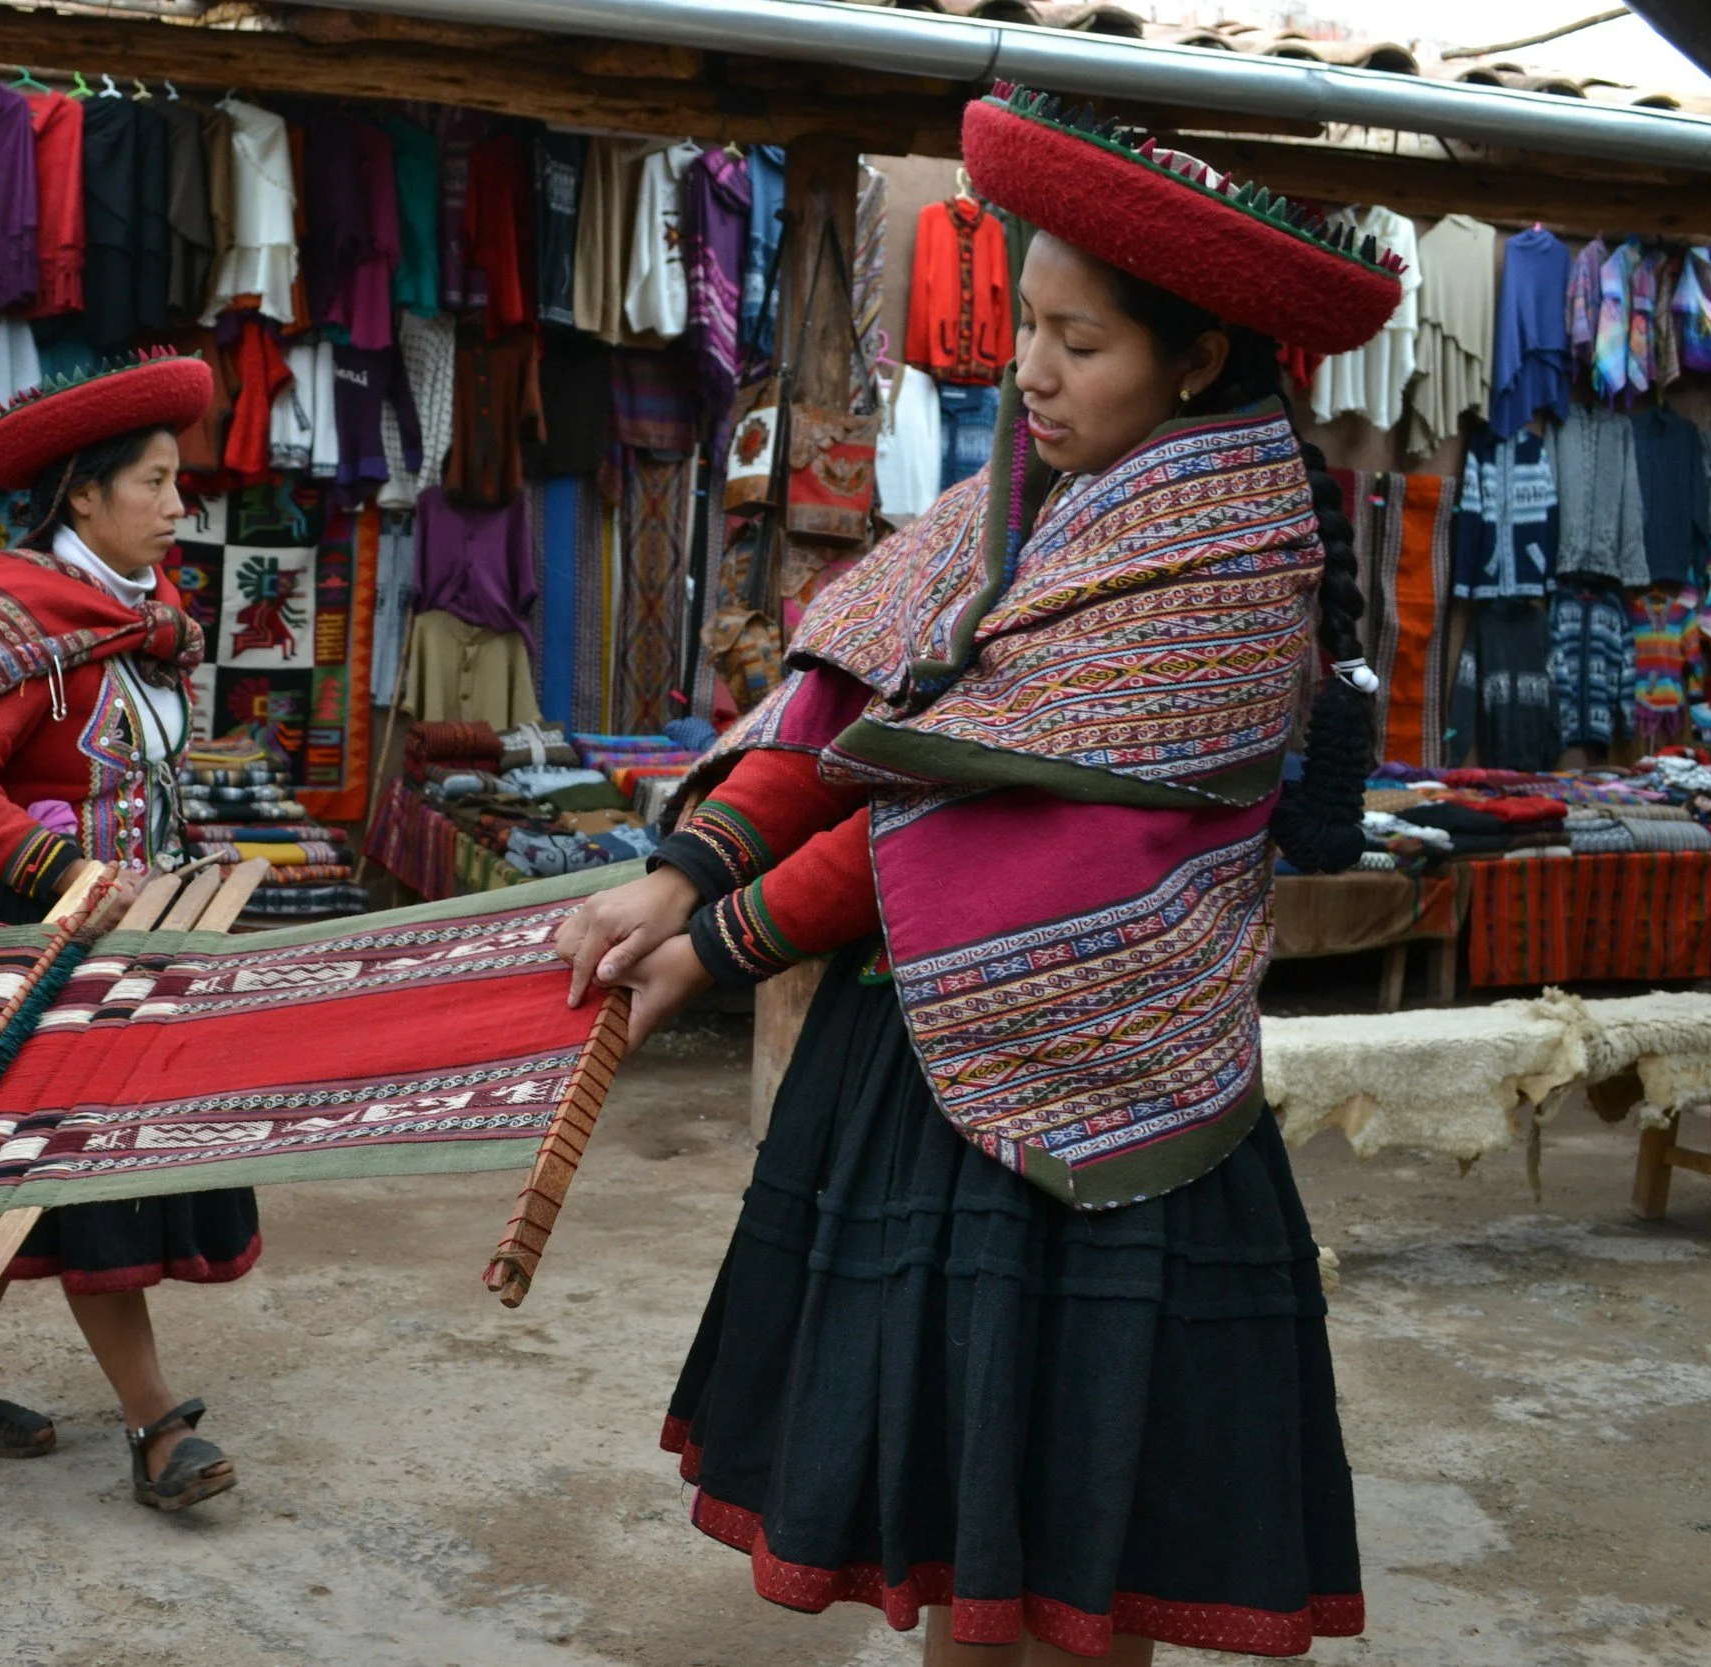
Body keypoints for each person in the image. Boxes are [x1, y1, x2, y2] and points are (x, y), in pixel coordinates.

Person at [557, 91, 1399, 1662]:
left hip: (1121, 1099)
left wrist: (731, 934)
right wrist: (678, 875)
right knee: (958, 1542)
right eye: (1028, 326)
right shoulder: (1007, 501)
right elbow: (848, 707)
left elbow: (985, 832)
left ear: (1196, 361)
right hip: (923, 1071)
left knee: (1091, 1559)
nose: (1030, 372)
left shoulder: (1231, 571)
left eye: (1081, 342)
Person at [0, 352, 249, 1513]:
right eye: (155, 482)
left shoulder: (134, 621)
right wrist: (65, 871)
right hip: (19, 930)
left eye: (177, 483)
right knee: (84, 1181)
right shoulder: (11, 617)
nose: (178, 507)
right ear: (81, 495)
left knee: (11, 1177)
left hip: (113, 930)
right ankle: (154, 1426)